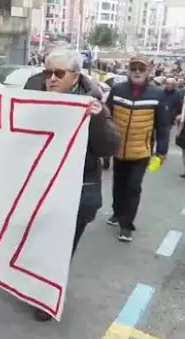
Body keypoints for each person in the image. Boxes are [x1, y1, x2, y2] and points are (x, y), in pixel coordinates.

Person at [23, 48, 120, 322]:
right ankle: (29, 281)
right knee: (33, 239)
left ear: (75, 75)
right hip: (35, 186)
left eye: (59, 73)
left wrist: (97, 117)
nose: (51, 78)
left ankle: (46, 296)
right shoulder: (32, 90)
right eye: (47, 72)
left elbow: (109, 147)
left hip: (77, 191)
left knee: (61, 246)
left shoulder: (92, 102)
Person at [105, 56, 170, 243]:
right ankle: (117, 212)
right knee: (119, 185)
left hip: (141, 151)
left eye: (141, 69)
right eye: (134, 68)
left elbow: (163, 126)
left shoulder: (157, 94)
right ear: (129, 70)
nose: (137, 72)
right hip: (118, 149)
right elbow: (107, 117)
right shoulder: (117, 90)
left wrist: (162, 151)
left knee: (133, 187)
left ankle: (126, 226)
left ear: (148, 71)